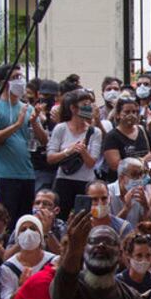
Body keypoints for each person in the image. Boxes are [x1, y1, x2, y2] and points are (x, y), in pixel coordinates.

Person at [0, 63, 44, 227]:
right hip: (1, 175)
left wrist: (35, 123)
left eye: (21, 77)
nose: (20, 81)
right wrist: (16, 125)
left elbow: (44, 141)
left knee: (23, 222)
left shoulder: (28, 108)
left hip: (26, 175)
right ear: (4, 82)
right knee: (2, 220)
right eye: (15, 77)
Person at [46, 89, 103, 218]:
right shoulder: (61, 128)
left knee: (83, 219)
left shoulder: (95, 132)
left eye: (90, 104)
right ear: (73, 108)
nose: (88, 108)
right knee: (61, 217)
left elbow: (91, 163)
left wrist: (83, 151)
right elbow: (50, 158)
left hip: (85, 182)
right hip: (63, 181)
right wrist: (68, 151)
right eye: (84, 105)